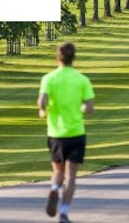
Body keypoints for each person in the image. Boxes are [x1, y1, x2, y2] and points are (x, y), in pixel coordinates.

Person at [38, 42, 95, 223]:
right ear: (74, 57)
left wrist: (42, 111)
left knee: (58, 170)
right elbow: (89, 107)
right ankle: (63, 212)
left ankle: (54, 187)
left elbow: (42, 101)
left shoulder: (49, 78)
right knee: (71, 175)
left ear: (58, 56)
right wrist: (80, 108)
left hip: (55, 133)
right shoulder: (82, 79)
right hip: (76, 132)